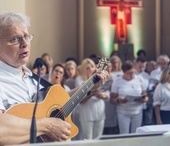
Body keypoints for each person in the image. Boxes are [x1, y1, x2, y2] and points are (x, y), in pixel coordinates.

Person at [0, 11, 108, 145]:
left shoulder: (30, 77)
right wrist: (48, 126)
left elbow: (56, 101)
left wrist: (89, 84)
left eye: (26, 36)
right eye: (14, 39)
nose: (25, 43)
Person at [110, 60, 148, 134]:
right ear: (123, 72)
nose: (131, 75)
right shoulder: (117, 81)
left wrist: (142, 99)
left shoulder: (139, 79)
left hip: (137, 111)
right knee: (124, 134)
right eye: (128, 73)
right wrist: (118, 100)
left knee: (136, 134)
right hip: (123, 112)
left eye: (133, 72)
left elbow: (145, 96)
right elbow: (112, 99)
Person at [75, 58, 108, 140]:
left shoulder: (100, 78)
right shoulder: (79, 80)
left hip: (99, 112)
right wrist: (92, 93)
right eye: (87, 68)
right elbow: (79, 100)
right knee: (87, 140)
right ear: (83, 70)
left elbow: (108, 94)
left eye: (92, 66)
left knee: (98, 139)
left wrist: (103, 95)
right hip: (87, 114)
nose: (90, 69)